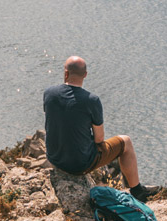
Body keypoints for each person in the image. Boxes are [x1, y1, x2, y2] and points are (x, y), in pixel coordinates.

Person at [42, 56, 156, 201]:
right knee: (126, 142)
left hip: (55, 158)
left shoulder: (49, 93)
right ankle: (137, 190)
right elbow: (99, 139)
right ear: (85, 75)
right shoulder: (91, 100)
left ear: (65, 73)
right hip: (79, 165)